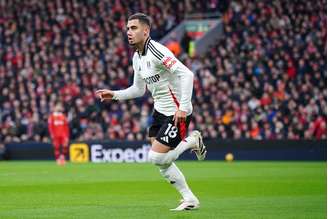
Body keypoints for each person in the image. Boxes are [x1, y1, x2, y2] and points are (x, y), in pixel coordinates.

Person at [96, 13, 207, 211]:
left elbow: (187, 74)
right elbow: (138, 89)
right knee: (162, 163)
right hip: (160, 112)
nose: (129, 32)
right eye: (128, 29)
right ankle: (189, 198)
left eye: (134, 28)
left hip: (177, 111)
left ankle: (192, 141)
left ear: (146, 31)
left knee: (156, 157)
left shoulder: (157, 51)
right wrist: (114, 94)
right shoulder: (137, 57)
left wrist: (183, 108)